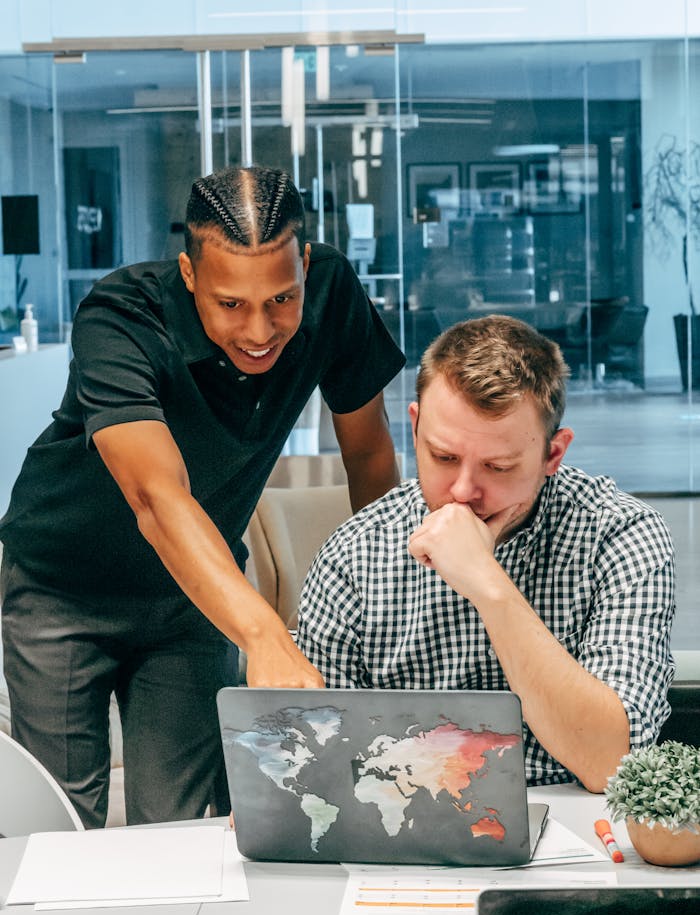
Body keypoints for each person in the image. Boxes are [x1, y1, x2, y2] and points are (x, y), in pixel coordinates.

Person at [0, 165, 405, 828]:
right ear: (189, 275)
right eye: (230, 304)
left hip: (191, 599)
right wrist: (264, 632)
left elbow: (366, 451)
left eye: (280, 298)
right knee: (61, 831)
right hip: (61, 592)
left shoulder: (331, 290)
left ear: (304, 264)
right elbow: (159, 497)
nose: (258, 330)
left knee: (181, 827)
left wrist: (389, 588)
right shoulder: (122, 316)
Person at [297, 314, 675, 792]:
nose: (462, 491)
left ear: (553, 455)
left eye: (497, 467)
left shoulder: (620, 536)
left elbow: (608, 764)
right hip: (406, 839)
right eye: (444, 457)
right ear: (415, 429)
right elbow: (322, 773)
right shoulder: (354, 554)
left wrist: (489, 586)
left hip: (580, 837)